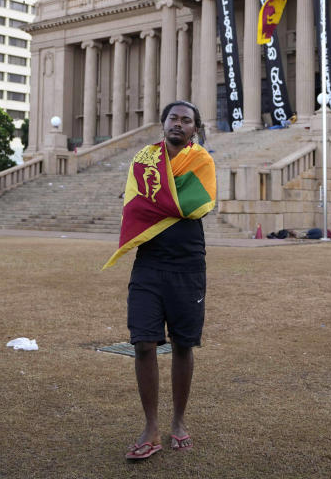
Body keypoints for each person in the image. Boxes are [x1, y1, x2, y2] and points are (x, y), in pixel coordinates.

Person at [101, 100, 216, 461]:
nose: (178, 124)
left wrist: (154, 201)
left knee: (183, 345)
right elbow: (135, 205)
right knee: (143, 344)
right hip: (149, 263)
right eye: (173, 118)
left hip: (187, 263)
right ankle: (150, 426)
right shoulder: (144, 161)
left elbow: (195, 204)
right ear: (163, 123)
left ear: (195, 129)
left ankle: (178, 421)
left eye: (186, 120)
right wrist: (151, 202)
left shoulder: (202, 162)